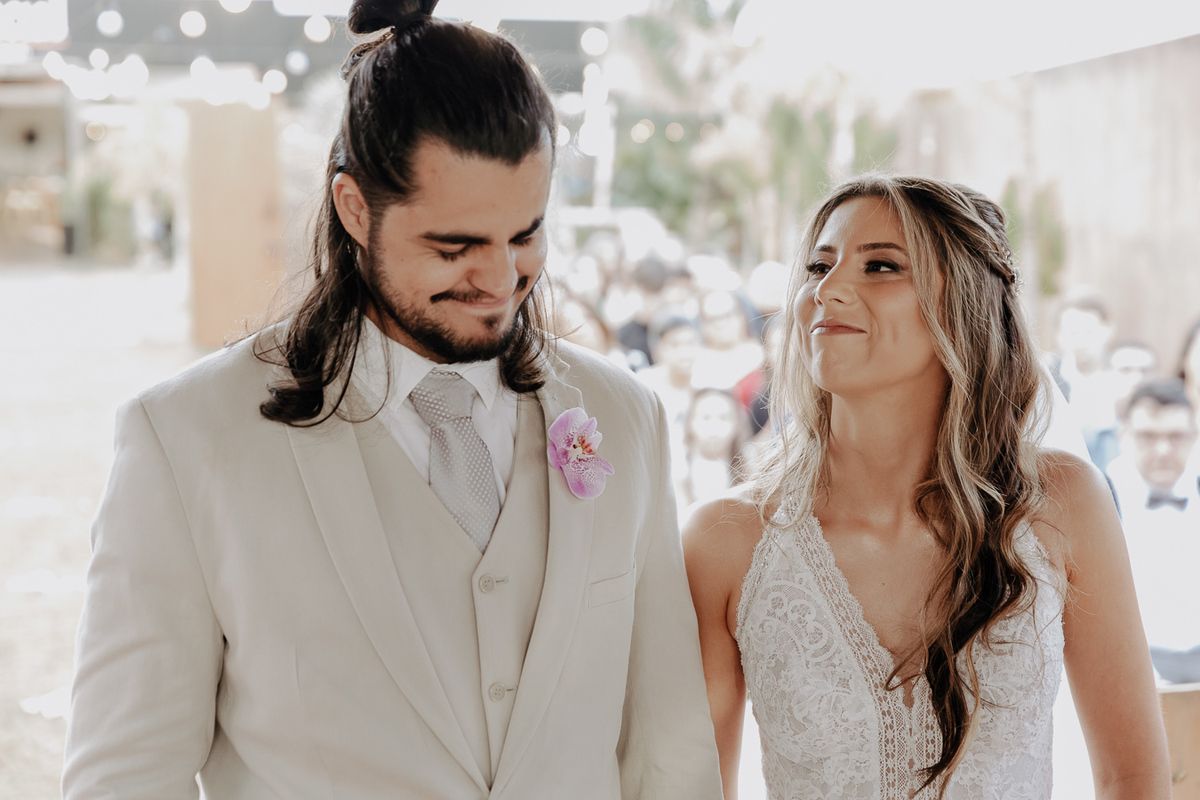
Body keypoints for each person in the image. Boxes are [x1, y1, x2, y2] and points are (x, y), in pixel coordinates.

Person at [62, 3, 722, 798]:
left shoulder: (626, 419)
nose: (500, 279)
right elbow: (126, 776)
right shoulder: (185, 440)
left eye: (525, 235)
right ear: (354, 209)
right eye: (455, 246)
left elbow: (670, 755)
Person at [684, 175, 1169, 798]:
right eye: (819, 267)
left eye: (881, 266)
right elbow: (692, 787)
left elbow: (1133, 778)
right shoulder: (725, 541)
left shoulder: (1062, 504)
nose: (826, 291)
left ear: (962, 304)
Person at [1105, 379, 1200, 682]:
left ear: (1195, 436)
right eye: (1148, 436)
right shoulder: (1101, 498)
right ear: (1124, 435)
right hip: (1130, 667)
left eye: (1176, 436)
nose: (1163, 450)